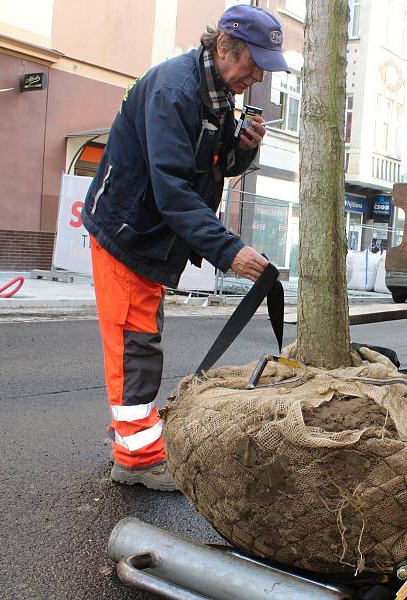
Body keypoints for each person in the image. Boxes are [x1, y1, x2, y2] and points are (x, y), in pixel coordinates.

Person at [81, 5, 290, 491]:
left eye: (263, 66)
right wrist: (228, 250)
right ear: (223, 47)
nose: (258, 75)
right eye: (253, 63)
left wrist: (242, 148)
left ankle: (131, 438)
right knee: (135, 343)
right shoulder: (175, 91)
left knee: (140, 338)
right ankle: (136, 457)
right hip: (128, 230)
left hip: (147, 231)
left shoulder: (215, 91)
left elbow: (206, 167)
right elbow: (172, 189)